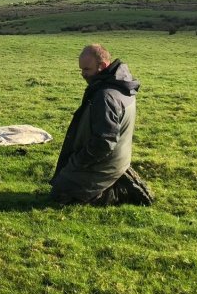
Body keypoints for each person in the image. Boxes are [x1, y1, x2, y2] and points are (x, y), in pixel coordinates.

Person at [50, 43, 154, 206]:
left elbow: (104, 142)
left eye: (86, 69)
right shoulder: (121, 85)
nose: (82, 74)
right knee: (61, 182)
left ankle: (119, 192)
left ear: (103, 66)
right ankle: (117, 179)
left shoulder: (106, 96)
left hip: (106, 160)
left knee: (61, 194)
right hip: (119, 156)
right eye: (81, 69)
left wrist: (78, 161)